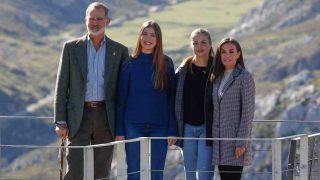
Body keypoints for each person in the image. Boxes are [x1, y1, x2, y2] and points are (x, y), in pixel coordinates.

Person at [54, 2, 129, 179]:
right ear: (85, 20)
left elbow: (123, 91)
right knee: (74, 171)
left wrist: (122, 124)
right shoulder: (71, 48)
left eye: (99, 19)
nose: (95, 23)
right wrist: (60, 120)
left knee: (101, 172)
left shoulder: (119, 51)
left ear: (107, 21)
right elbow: (61, 86)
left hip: (106, 117)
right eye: (91, 18)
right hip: (77, 117)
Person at [115, 20, 178, 180]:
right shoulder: (129, 63)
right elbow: (121, 99)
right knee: (134, 172)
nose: (148, 38)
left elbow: (172, 99)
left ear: (158, 39)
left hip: (161, 126)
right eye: (145, 33)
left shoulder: (167, 63)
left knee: (157, 173)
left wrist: (172, 128)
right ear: (139, 36)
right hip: (133, 125)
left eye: (153, 35)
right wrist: (119, 131)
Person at [207, 37, 255, 180]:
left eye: (231, 51)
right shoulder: (217, 77)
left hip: (235, 141)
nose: (227, 55)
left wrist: (241, 142)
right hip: (219, 140)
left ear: (238, 54)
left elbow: (247, 113)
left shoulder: (244, 77)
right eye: (223, 52)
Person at [175, 28, 215, 180]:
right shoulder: (183, 70)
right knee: (190, 175)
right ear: (191, 46)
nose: (200, 46)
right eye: (195, 43)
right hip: (187, 128)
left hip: (208, 129)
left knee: (204, 174)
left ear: (210, 44)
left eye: (203, 42)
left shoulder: (217, 68)